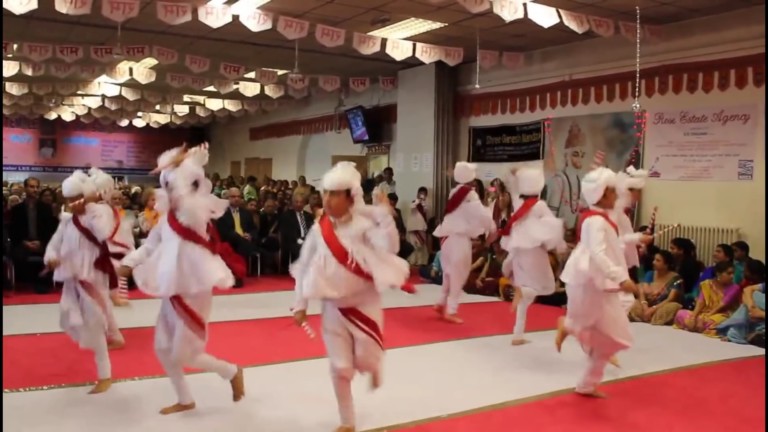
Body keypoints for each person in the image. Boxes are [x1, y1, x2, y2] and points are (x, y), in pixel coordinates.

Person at [118, 144, 245, 415]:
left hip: (194, 289)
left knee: (186, 353)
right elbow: (150, 247)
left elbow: (192, 198)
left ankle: (231, 371)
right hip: (171, 288)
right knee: (163, 348)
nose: (171, 193)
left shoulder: (195, 217)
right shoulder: (167, 220)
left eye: (176, 187)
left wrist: (186, 165)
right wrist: (127, 264)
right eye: (168, 187)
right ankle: (185, 398)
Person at [290, 161, 412, 432]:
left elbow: (390, 247)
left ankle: (375, 363)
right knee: (340, 368)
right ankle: (347, 420)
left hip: (364, 304)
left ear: (350, 197)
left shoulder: (364, 225)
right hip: (332, 308)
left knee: (367, 360)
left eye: (335, 194)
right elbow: (304, 263)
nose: (328, 200)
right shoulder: (318, 229)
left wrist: (385, 215)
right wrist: (300, 305)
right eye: (326, 194)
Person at [555, 167, 637, 398]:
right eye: (612, 191)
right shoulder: (595, 222)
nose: (616, 195)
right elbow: (598, 253)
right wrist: (620, 277)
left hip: (600, 281)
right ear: (601, 195)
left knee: (613, 338)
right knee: (609, 335)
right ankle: (570, 326)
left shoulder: (602, 218)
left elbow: (612, 247)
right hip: (591, 281)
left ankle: (587, 383)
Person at [43, 170, 119, 394]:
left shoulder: (99, 214)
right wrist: (51, 258)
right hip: (72, 280)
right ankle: (114, 334)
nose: (72, 204)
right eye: (68, 200)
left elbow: (106, 235)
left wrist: (95, 207)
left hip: (93, 278)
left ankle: (105, 375)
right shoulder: (66, 222)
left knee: (95, 323)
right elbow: (53, 245)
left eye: (77, 198)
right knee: (70, 316)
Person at [499, 167, 565, 345]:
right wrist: (558, 244)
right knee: (545, 287)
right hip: (534, 252)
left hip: (518, 253)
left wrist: (512, 176)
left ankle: (517, 334)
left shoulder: (517, 202)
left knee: (526, 297)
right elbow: (553, 227)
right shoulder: (540, 205)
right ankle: (523, 290)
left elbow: (512, 188)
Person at [433, 162, 497, 324]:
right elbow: (482, 215)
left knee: (449, 271)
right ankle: (451, 310)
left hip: (445, 237)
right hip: (457, 238)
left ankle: (441, 302)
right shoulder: (470, 194)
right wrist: (492, 227)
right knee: (459, 273)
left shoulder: (454, 192)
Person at [673, 260, 741, 337]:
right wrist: (693, 316)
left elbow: (722, 304)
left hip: (722, 314)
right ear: (719, 274)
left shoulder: (735, 288)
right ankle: (698, 325)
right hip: (704, 312)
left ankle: (698, 325)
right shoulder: (707, 284)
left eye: (733, 273)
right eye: (729, 273)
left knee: (721, 321)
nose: (732, 276)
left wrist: (707, 317)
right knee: (680, 313)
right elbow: (701, 301)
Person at [628, 250, 683, 325]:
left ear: (666, 264)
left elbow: (671, 298)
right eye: (654, 259)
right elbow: (642, 292)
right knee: (633, 304)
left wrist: (653, 309)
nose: (653, 262)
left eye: (658, 260)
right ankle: (645, 316)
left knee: (673, 306)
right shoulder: (650, 274)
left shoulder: (676, 278)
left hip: (662, 305)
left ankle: (650, 317)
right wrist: (645, 307)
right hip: (648, 304)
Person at [406, 186, 430, 266]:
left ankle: (421, 261)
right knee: (414, 246)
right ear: (417, 194)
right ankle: (413, 260)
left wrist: (423, 203)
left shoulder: (425, 204)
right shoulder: (414, 202)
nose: (422, 195)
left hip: (421, 228)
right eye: (421, 193)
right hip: (414, 228)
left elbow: (425, 212)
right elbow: (411, 207)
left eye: (424, 194)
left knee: (422, 245)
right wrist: (417, 201)